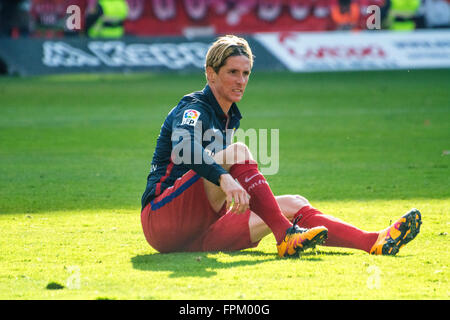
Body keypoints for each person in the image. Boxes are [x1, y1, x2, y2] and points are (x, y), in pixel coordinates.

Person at [140, 35, 422, 258]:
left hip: (198, 234)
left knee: (294, 203)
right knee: (238, 152)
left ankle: (374, 241)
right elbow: (185, 147)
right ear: (210, 74)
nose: (241, 81)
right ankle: (285, 235)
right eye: (233, 72)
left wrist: (233, 189)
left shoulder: (229, 118)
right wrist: (225, 178)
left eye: (246, 73)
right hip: (162, 220)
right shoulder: (194, 108)